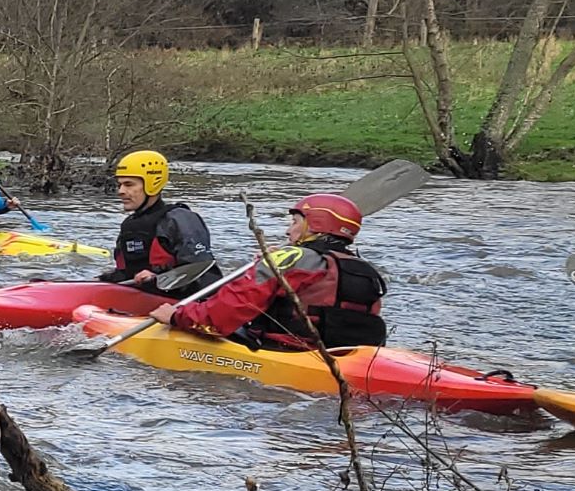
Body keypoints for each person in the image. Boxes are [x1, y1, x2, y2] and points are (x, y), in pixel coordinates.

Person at [167, 192, 388, 351]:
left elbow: (230, 308)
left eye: (294, 222)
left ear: (313, 225)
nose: (287, 230)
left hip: (285, 350)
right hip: (346, 355)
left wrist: (178, 316)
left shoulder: (291, 257)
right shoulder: (364, 268)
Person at [106, 150, 217, 292]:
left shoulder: (180, 220)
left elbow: (204, 276)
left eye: (129, 184)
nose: (120, 191)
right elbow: (124, 273)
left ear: (152, 183)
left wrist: (157, 278)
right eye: (119, 185)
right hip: (138, 299)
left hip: (176, 303)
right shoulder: (129, 225)